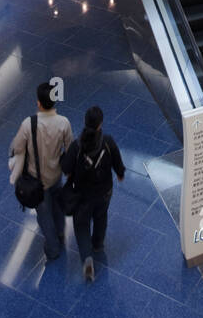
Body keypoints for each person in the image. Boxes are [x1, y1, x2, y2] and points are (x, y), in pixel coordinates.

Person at [60, 105, 125, 282]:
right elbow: (119, 168)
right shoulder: (108, 142)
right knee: (101, 217)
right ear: (100, 124)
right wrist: (119, 174)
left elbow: (65, 169)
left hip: (82, 196)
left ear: (85, 122)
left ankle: (87, 259)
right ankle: (98, 245)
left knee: (81, 225)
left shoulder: (76, 146)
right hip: (104, 193)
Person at [9, 82, 73, 261]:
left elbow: (17, 147)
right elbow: (69, 149)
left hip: (37, 181)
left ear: (38, 103)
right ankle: (61, 234)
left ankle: (52, 249)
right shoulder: (64, 123)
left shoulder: (28, 124)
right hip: (56, 175)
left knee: (45, 217)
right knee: (58, 207)